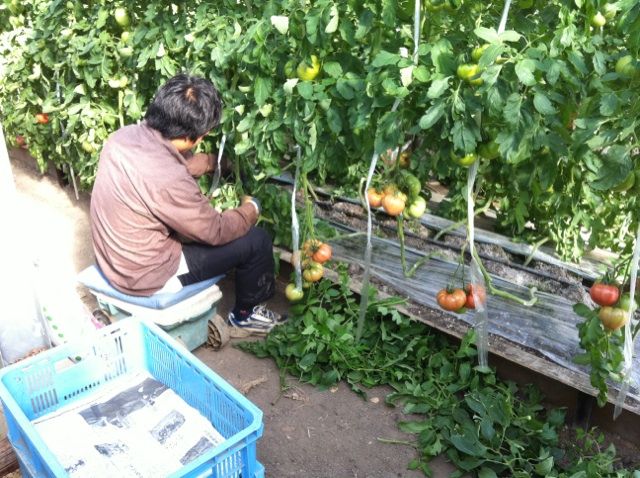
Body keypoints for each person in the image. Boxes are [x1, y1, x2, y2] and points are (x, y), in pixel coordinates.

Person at [89, 73, 283, 333]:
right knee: (256, 240)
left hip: (113, 258)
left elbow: (159, 170)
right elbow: (215, 231)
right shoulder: (170, 180)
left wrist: (211, 163)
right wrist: (251, 209)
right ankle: (246, 315)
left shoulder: (123, 137)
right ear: (198, 136)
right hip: (147, 274)